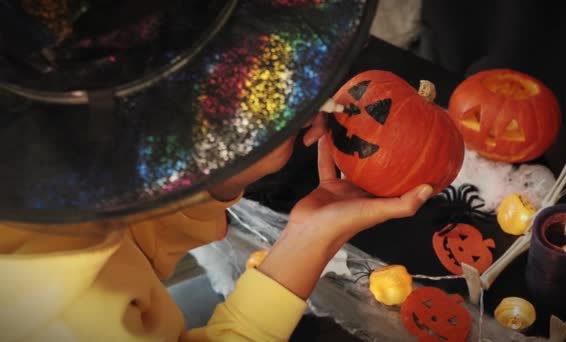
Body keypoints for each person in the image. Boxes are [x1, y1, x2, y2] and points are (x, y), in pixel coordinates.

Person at [0, 1, 434, 340]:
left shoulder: (65, 168)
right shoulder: (51, 318)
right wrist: (308, 237)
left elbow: (140, 246)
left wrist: (227, 176)